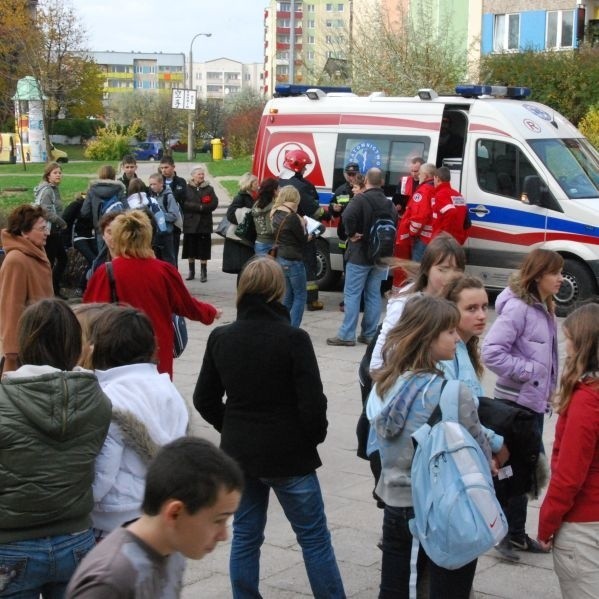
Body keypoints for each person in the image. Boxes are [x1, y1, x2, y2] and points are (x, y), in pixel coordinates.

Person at [194, 256, 345, 599]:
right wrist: (311, 438)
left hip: (239, 454)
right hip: (289, 454)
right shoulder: (293, 338)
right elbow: (312, 403)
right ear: (278, 291)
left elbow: (204, 398)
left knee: (246, 535)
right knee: (314, 538)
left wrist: (230, 426)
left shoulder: (222, 337)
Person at [367, 294, 492, 599]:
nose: (456, 338)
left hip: (396, 501)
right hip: (439, 506)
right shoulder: (451, 392)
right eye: (449, 332)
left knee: (394, 588)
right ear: (428, 338)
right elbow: (478, 447)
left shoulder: (385, 382)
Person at [0, 298, 111, 596]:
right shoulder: (98, 401)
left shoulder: (3, 400)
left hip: (10, 545)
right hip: (75, 539)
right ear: (75, 343)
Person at [66, 437, 243, 597]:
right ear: (174, 513)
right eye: (218, 520)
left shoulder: (173, 547)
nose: (224, 535)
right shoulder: (110, 581)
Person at [482, 248, 563, 559]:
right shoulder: (518, 309)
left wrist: (548, 388)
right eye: (554, 272)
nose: (559, 278)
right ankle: (504, 533)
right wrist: (531, 373)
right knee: (515, 472)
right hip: (515, 406)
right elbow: (491, 352)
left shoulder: (545, 307)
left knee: (524, 471)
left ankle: (514, 533)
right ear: (538, 275)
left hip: (533, 403)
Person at [86, 304, 189, 538]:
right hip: (159, 511)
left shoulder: (108, 396)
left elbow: (103, 474)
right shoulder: (167, 388)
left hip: (115, 517)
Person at [83, 211, 221, 378]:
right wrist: (210, 312)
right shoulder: (164, 270)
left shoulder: (106, 273)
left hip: (119, 351)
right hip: (157, 348)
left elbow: (89, 316)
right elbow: (186, 305)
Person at [537, 303, 599, 598]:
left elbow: (569, 476)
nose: (566, 347)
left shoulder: (587, 401)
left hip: (584, 524)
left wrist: (546, 523)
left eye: (569, 339)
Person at [370, 232, 466, 372]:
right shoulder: (406, 303)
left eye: (457, 270)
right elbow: (383, 352)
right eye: (442, 269)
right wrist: (380, 382)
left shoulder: (457, 300)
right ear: (427, 269)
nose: (450, 276)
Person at [439, 275, 509, 464]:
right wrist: (496, 444)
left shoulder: (465, 348)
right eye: (471, 308)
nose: (481, 315)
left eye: (484, 307)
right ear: (451, 311)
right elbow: (457, 413)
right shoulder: (447, 354)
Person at [327, 168, 397, 347]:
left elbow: (347, 216)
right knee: (374, 294)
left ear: (366, 181)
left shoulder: (360, 199)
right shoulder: (389, 203)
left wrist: (351, 234)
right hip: (381, 256)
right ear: (382, 182)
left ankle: (347, 335)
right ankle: (369, 333)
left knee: (352, 294)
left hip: (359, 254)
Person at [0, 204, 53, 374]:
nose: (47, 233)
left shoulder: (36, 253)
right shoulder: (16, 260)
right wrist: (11, 354)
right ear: (24, 232)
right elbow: (10, 307)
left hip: (41, 342)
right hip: (25, 350)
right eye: (42, 228)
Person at [278, 148, 325, 311]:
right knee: (308, 265)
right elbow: (314, 210)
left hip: (284, 235)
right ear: (297, 166)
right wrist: (328, 212)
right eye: (304, 167)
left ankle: (285, 299)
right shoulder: (301, 186)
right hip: (303, 230)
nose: (305, 170)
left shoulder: (280, 181)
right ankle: (311, 301)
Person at [271, 185, 310, 328]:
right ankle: (293, 328)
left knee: (288, 295)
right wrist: (305, 225)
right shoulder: (292, 217)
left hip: (281, 257)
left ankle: (282, 325)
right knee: (300, 295)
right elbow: (303, 239)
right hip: (293, 259)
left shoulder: (275, 212)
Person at [34, 161, 68, 298]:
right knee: (50, 262)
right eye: (55, 173)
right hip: (50, 231)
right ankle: (48, 292)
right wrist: (62, 222)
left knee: (60, 259)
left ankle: (53, 289)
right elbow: (45, 211)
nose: (58, 175)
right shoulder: (48, 190)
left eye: (60, 172)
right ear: (48, 175)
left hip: (55, 231)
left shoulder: (53, 188)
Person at [183, 166, 218, 282]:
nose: (201, 176)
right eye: (199, 174)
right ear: (193, 176)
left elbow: (214, 203)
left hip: (204, 223)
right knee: (190, 248)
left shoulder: (209, 188)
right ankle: (191, 271)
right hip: (190, 223)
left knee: (204, 249)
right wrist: (199, 207)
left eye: (202, 174)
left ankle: (204, 273)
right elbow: (184, 203)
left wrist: (204, 207)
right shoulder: (186, 188)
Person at [80, 165, 127, 252]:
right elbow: (127, 209)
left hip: (100, 228)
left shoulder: (92, 190)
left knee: (102, 257)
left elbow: (85, 212)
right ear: (114, 176)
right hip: (117, 228)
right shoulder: (119, 189)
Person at [400, 162, 436, 262]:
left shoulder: (423, 190)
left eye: (420, 173)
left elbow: (419, 216)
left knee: (416, 270)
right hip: (434, 237)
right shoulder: (436, 187)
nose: (418, 176)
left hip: (423, 238)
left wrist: (412, 233)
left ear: (426, 175)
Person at [62, 193, 97, 296]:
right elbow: (65, 219)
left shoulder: (95, 205)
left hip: (90, 236)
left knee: (98, 259)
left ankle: (87, 285)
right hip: (78, 237)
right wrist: (67, 240)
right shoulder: (76, 205)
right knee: (93, 259)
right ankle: (81, 287)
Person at [222, 173, 257, 276]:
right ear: (250, 183)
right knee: (243, 270)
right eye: (256, 182)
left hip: (243, 239)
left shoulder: (249, 196)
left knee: (245, 271)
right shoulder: (240, 197)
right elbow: (231, 215)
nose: (258, 185)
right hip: (240, 239)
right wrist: (247, 218)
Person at [148, 172, 183, 266]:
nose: (152, 187)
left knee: (169, 260)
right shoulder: (152, 196)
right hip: (156, 233)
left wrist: (159, 215)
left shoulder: (168, 196)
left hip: (167, 233)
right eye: (150, 184)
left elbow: (174, 215)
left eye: (154, 184)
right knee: (157, 260)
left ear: (161, 184)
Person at [430, 166, 469, 245]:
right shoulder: (458, 195)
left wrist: (443, 236)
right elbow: (466, 221)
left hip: (444, 243)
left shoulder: (440, 195)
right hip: (457, 241)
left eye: (434, 179)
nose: (433, 181)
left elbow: (451, 212)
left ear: (437, 178)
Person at [160, 155, 188, 261]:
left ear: (173, 167)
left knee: (173, 251)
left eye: (166, 167)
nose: (164, 170)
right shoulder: (158, 180)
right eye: (162, 168)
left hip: (176, 220)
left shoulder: (180, 182)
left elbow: (182, 197)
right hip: (162, 220)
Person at [252, 177, 278, 255]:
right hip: (270, 244)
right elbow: (270, 229)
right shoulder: (272, 207)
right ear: (274, 191)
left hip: (259, 242)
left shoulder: (257, 204)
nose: (280, 190)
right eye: (278, 188)